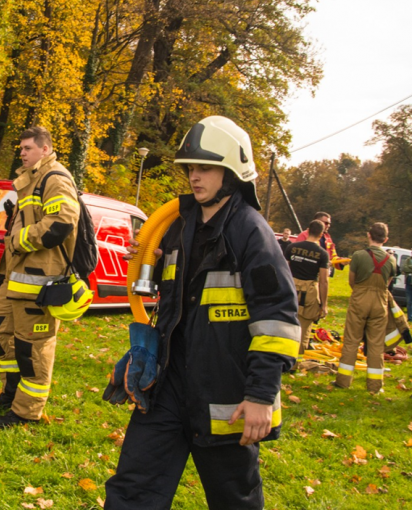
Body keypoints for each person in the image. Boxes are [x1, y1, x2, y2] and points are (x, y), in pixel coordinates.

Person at [103, 116, 300, 510]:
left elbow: (276, 316)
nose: (195, 177)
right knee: (132, 489)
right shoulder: (180, 225)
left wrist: (261, 394)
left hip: (225, 396)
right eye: (191, 168)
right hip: (169, 386)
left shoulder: (251, 232)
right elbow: (183, 296)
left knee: (234, 500)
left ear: (232, 173)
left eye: (205, 167)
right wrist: (151, 266)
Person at [0, 126, 81, 428]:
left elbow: (62, 222)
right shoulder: (32, 181)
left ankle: (27, 412)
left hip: (41, 281)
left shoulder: (55, 178)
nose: (22, 153)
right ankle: (12, 391)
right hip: (17, 277)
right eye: (21, 148)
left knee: (32, 347)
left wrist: (18, 240)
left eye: (27, 148)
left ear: (44, 148)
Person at [333, 222, 396, 393]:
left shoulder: (359, 255)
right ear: (386, 239)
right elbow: (388, 284)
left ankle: (343, 381)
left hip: (360, 299)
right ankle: (375, 386)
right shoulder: (391, 260)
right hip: (380, 302)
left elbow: (351, 281)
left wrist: (360, 292)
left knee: (352, 340)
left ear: (369, 235)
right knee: (376, 344)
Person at [284, 219, 330, 365]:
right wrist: (324, 304)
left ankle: (281, 358)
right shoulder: (322, 254)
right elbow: (323, 281)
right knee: (304, 329)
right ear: (322, 234)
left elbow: (283, 270)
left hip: (290, 288)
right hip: (309, 293)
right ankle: (295, 363)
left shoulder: (292, 247)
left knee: (285, 324)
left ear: (308, 230)